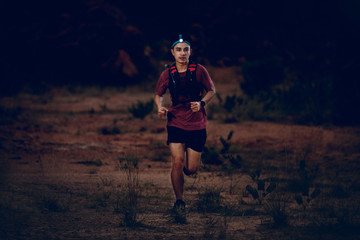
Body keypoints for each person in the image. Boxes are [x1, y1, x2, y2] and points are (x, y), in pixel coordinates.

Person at [154, 34, 216, 212]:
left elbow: (211, 90)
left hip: (197, 124)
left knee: (191, 169)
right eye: (179, 50)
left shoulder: (199, 70)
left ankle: (187, 172)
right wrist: (160, 107)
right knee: (178, 162)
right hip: (175, 122)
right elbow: (158, 94)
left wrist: (201, 102)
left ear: (190, 52)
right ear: (172, 52)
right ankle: (179, 201)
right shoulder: (167, 74)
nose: (182, 53)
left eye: (186, 50)